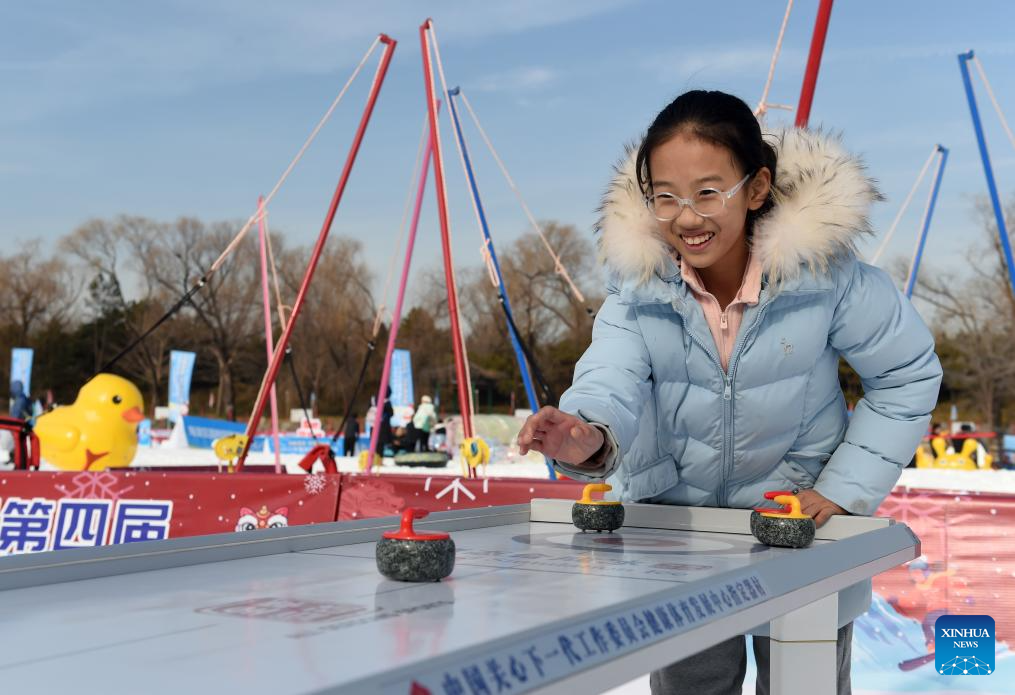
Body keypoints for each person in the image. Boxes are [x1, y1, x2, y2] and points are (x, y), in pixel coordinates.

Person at [517, 90, 942, 695]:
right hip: (678, 535)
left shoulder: (825, 274)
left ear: (757, 187)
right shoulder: (638, 291)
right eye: (665, 196)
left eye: (709, 192)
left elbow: (907, 374)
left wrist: (841, 491)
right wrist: (584, 434)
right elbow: (609, 379)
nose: (687, 217)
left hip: (800, 529)